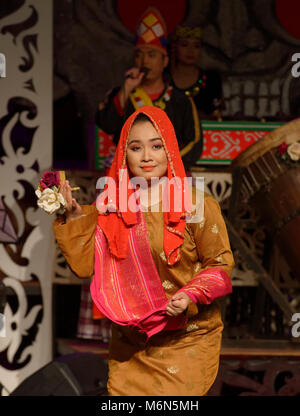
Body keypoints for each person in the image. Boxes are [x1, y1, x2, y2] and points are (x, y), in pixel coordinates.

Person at [54, 106, 234, 396]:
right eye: (136, 147)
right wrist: (74, 219)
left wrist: (189, 294)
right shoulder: (110, 206)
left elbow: (221, 265)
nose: (147, 156)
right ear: (124, 154)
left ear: (170, 149)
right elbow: (87, 266)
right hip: (132, 345)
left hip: (186, 339)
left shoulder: (196, 204)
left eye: (156, 145)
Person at [95, 7, 202, 169]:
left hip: (170, 176)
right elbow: (107, 125)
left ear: (164, 60)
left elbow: (194, 143)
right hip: (129, 176)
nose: (144, 61)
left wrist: (163, 165)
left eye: (152, 55)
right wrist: (126, 89)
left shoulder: (181, 101)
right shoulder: (123, 95)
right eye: (139, 55)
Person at [166, 24, 223, 120]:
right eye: (184, 45)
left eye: (196, 46)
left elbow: (216, 114)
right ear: (174, 48)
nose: (190, 51)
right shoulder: (163, 78)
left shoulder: (211, 79)